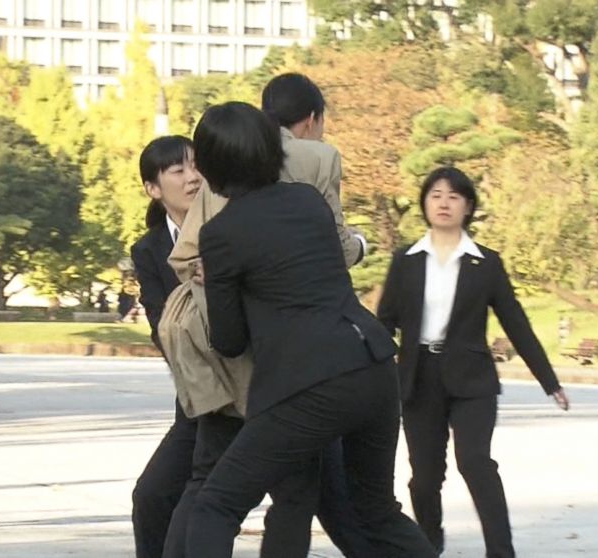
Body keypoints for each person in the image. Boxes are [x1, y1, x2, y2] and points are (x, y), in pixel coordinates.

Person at [183, 101, 435, 558]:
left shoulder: (221, 234)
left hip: (307, 385)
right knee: (375, 510)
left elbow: (230, 340)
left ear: (209, 165)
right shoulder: (308, 201)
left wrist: (219, 282)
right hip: (373, 366)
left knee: (215, 505)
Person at [165, 73, 375, 557]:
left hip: (239, 359)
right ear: (310, 120)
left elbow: (189, 261)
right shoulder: (315, 170)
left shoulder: (216, 212)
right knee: (301, 491)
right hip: (308, 360)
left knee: (210, 485)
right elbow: (334, 247)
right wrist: (362, 247)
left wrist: (216, 275)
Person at [377, 166, 569, 558]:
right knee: (425, 479)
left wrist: (549, 381)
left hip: (472, 380)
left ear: (467, 206)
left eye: (453, 196)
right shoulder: (406, 260)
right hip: (418, 378)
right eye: (435, 195)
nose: (444, 203)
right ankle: (429, 546)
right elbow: (384, 323)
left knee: (475, 461)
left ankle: (501, 551)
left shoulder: (486, 263)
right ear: (425, 204)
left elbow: (517, 324)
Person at [129, 136, 202, 558]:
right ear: (153, 189)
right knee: (152, 499)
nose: (192, 177)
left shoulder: (229, 227)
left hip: (262, 392)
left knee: (339, 506)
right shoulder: (149, 249)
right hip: (198, 401)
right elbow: (163, 328)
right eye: (178, 170)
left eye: (196, 166)